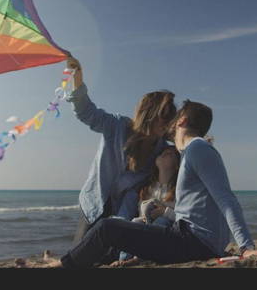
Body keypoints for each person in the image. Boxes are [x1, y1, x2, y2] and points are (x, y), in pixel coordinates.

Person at [48, 100, 257, 268]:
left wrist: (246, 248)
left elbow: (226, 198)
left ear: (182, 121)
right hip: (188, 237)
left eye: (175, 119)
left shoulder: (198, 150)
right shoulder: (190, 153)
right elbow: (193, 212)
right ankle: (61, 260)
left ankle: (61, 267)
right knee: (115, 242)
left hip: (193, 243)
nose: (170, 124)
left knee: (107, 228)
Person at [65, 57, 177, 248]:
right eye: (164, 116)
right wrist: (78, 76)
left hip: (125, 210)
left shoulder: (161, 149)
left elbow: (186, 143)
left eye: (171, 117)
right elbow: (85, 112)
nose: (167, 122)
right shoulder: (117, 126)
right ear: (148, 113)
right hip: (95, 201)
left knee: (107, 257)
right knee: (80, 252)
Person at [111, 146, 181, 267]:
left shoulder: (178, 190)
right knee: (135, 224)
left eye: (169, 154)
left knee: (161, 220)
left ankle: (139, 259)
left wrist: (164, 211)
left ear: (176, 165)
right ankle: (124, 259)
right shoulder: (147, 188)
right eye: (162, 152)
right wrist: (144, 215)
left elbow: (183, 217)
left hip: (166, 232)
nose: (164, 154)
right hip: (145, 225)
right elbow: (141, 211)